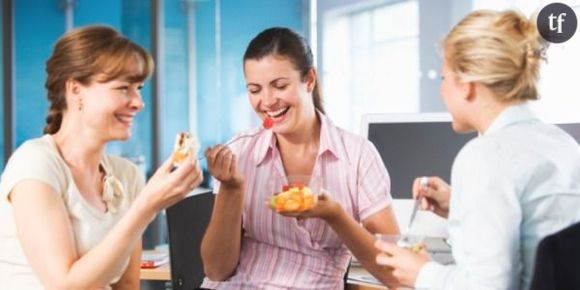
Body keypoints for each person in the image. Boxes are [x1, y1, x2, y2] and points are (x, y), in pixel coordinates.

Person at [374, 10, 580, 290]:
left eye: (444, 79)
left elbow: (489, 286)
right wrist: (458, 203)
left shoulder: (484, 156)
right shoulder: (563, 143)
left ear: (467, 86)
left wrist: (421, 273)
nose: (442, 91)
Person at [0, 26, 203, 289]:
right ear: (75, 90)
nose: (138, 102)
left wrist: (146, 202)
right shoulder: (36, 162)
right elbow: (64, 284)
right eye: (124, 88)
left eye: (139, 88)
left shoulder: (126, 174)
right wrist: (147, 205)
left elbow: (127, 285)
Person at [200, 27, 400, 289]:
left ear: (309, 80)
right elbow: (216, 270)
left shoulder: (357, 156)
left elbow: (394, 271)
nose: (268, 101)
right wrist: (231, 188)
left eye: (280, 86)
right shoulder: (239, 152)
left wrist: (335, 216)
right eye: (255, 89)